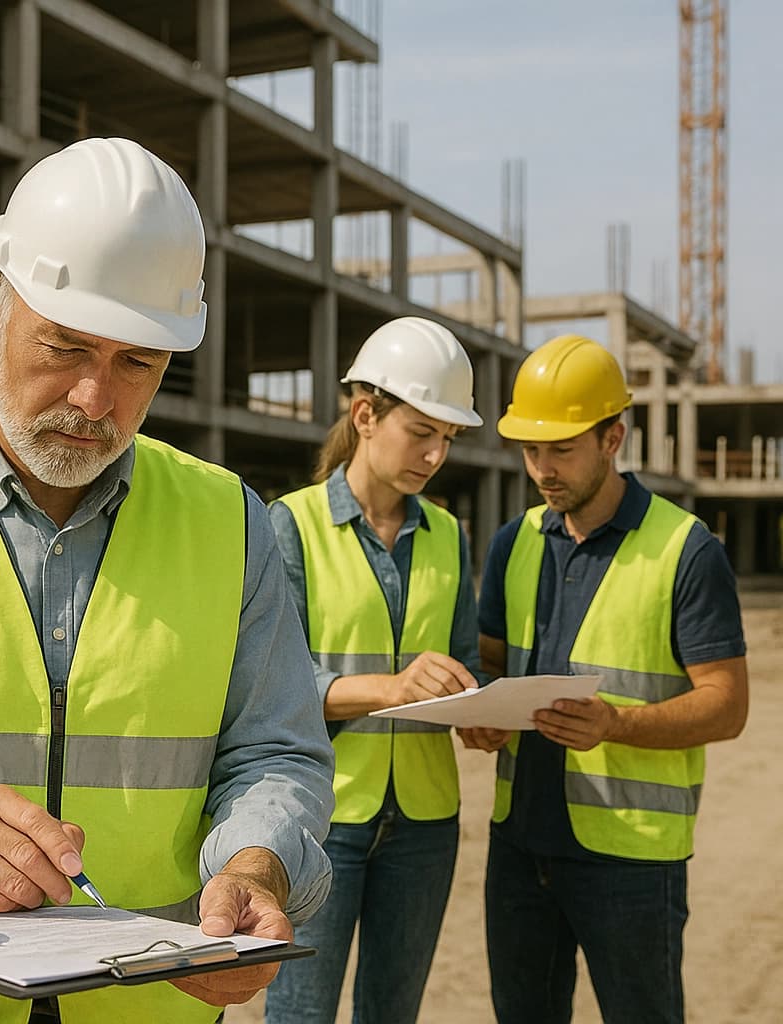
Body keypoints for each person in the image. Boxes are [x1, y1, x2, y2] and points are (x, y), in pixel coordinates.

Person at [0, 136, 336, 1024]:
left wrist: (254, 867)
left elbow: (275, 750)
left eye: (138, 363)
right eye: (66, 346)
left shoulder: (231, 522)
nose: (95, 398)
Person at [466, 334, 749, 1024]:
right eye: (531, 450)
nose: (542, 469)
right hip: (520, 847)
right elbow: (494, 663)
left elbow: (727, 704)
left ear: (614, 436)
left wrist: (617, 723)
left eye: (561, 450)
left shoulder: (687, 550)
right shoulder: (515, 542)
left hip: (631, 861)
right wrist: (477, 705)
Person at [263, 317, 484, 1024]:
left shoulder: (449, 535)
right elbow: (275, 686)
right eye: (422, 431)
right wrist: (395, 688)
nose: (436, 454)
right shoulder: (288, 526)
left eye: (447, 438)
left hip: (425, 823)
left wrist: (480, 711)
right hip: (321, 818)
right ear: (365, 415)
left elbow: (463, 664)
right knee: (300, 1013)